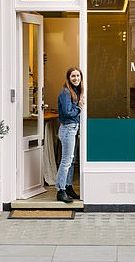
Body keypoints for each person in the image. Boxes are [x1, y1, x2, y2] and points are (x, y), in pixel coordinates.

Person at [56, 67, 84, 203]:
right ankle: (60, 190)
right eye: (73, 76)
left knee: (71, 161)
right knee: (66, 161)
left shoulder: (75, 92)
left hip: (74, 128)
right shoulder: (66, 92)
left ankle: (68, 187)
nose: (76, 78)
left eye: (78, 76)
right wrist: (79, 107)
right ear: (68, 78)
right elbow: (67, 113)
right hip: (68, 129)